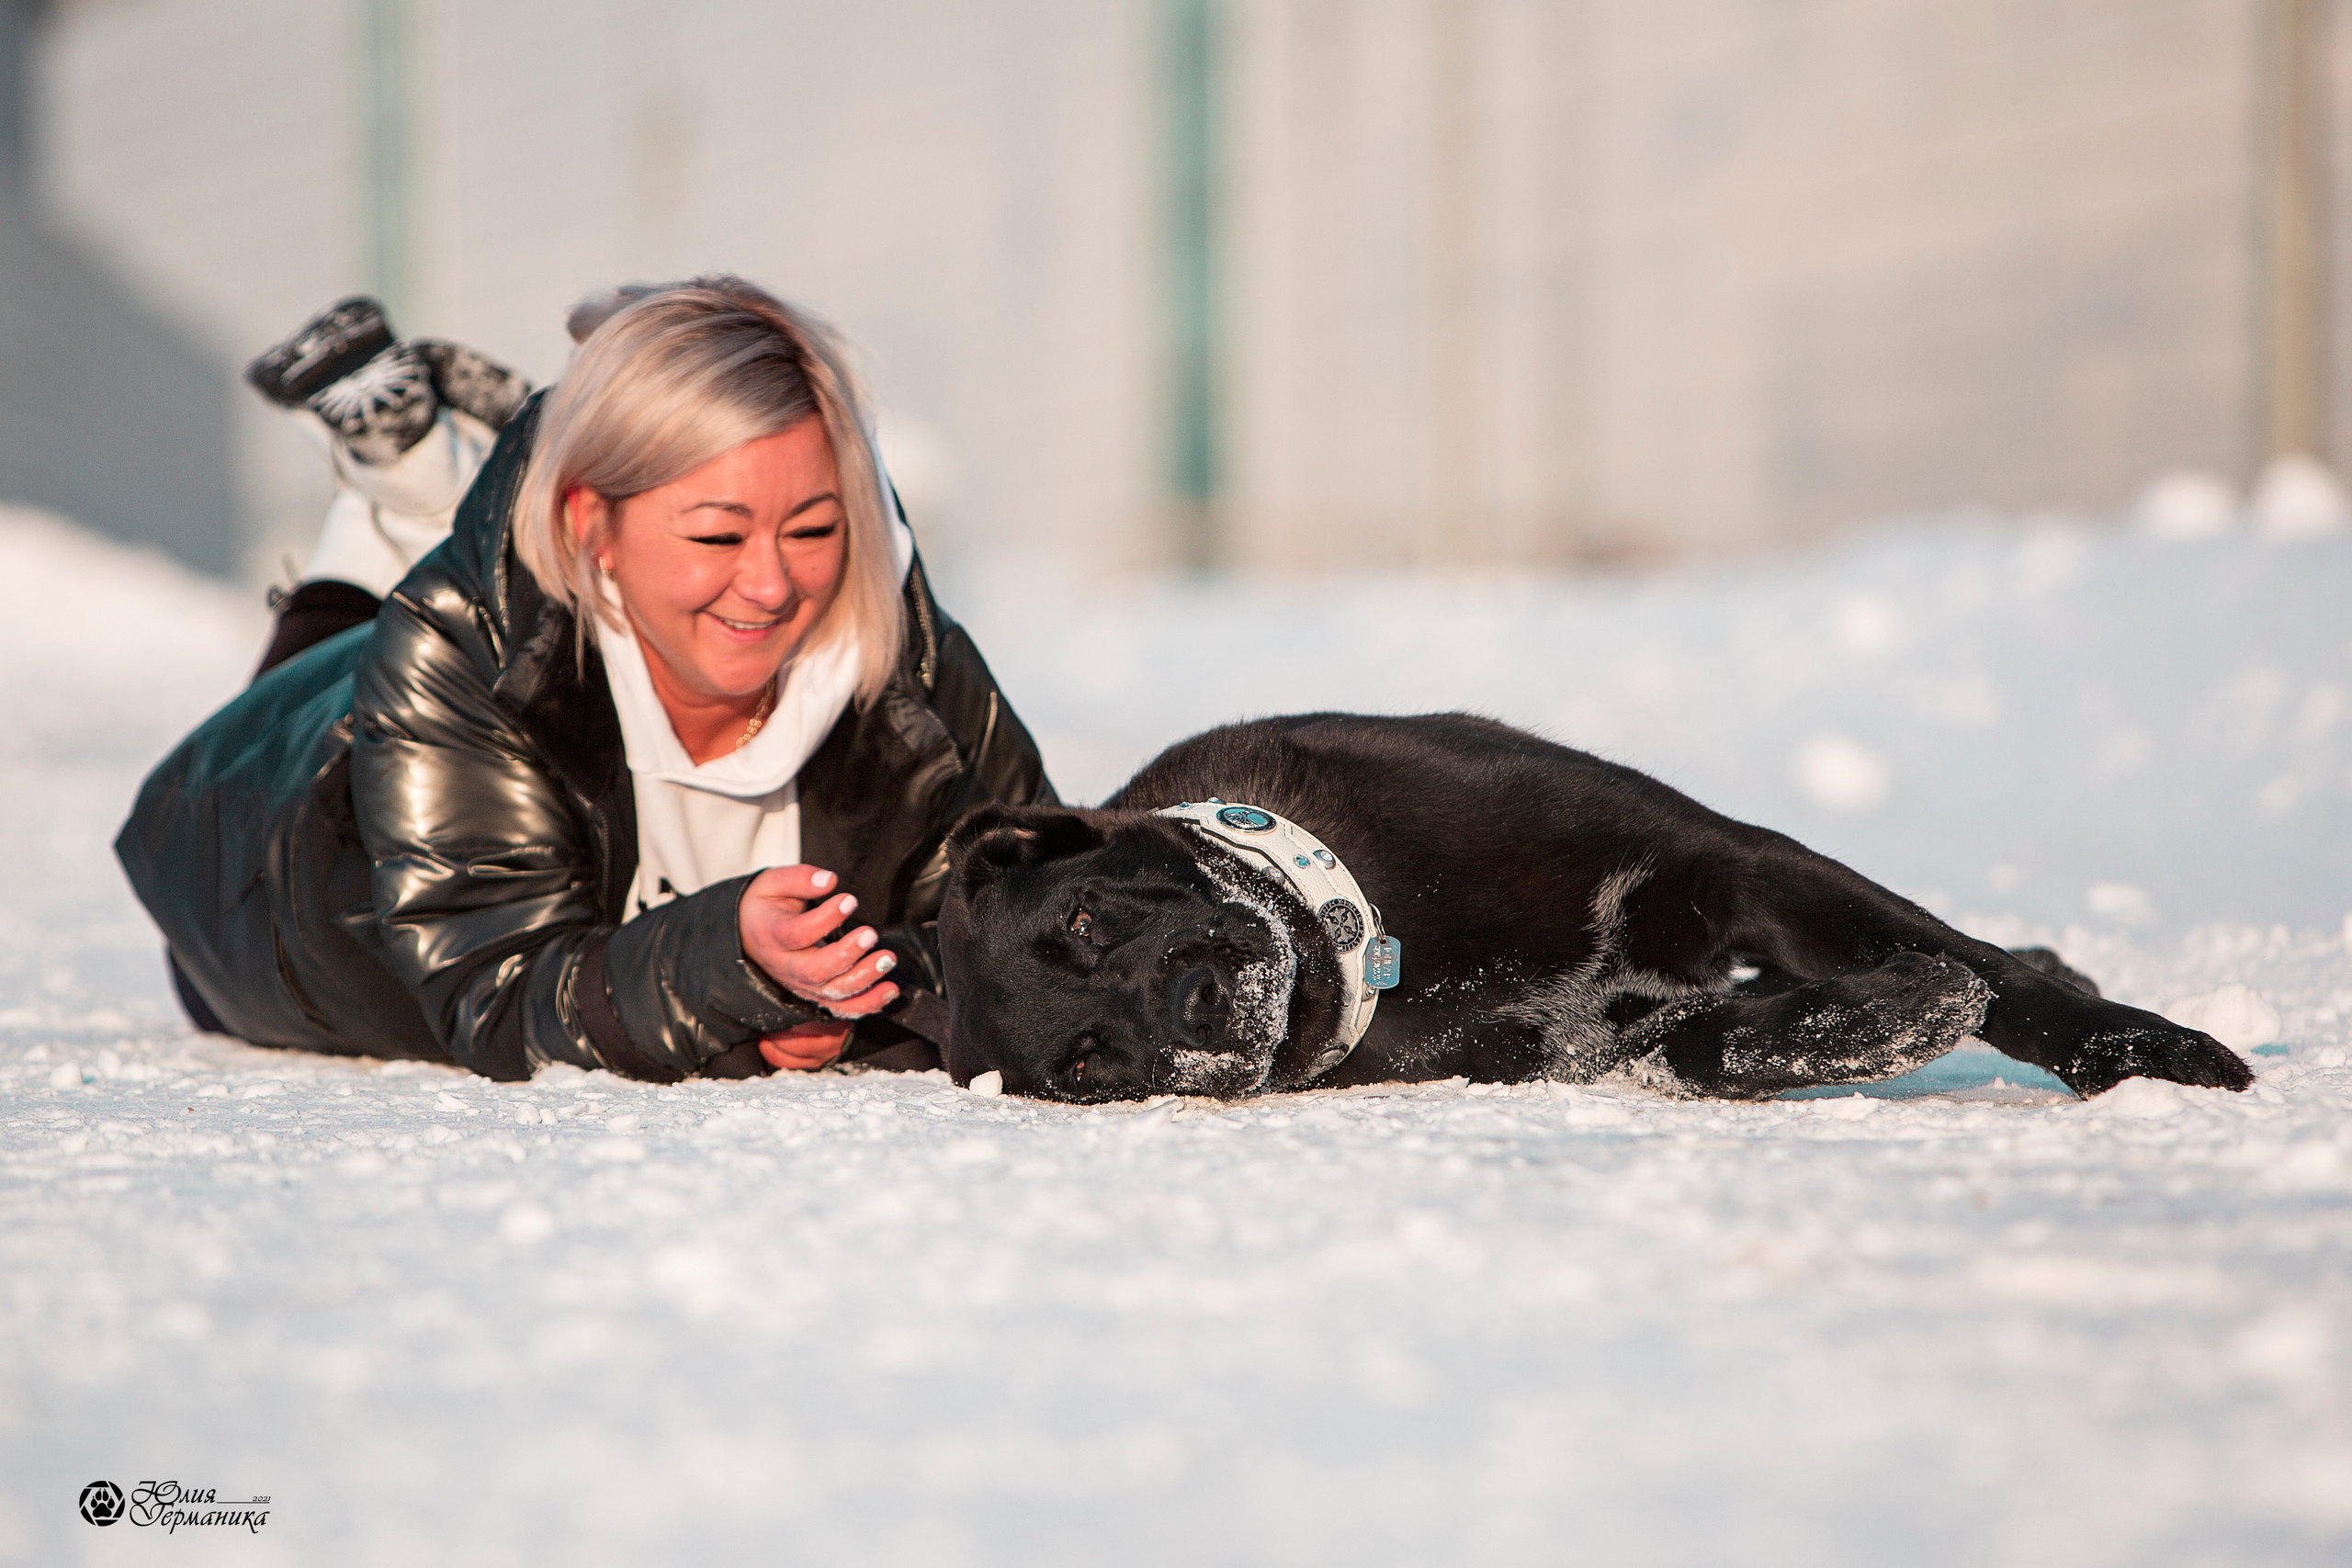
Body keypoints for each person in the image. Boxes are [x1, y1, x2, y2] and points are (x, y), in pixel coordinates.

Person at [117, 276, 1054, 1081]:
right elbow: (498, 993)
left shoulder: (892, 625)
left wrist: (851, 981)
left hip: (555, 578)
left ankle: (534, 435)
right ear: (590, 525)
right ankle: (401, 487)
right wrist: (730, 964)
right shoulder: (459, 655)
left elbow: (1030, 900)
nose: (773, 584)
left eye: (811, 529)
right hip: (266, 862)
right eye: (719, 535)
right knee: (337, 667)